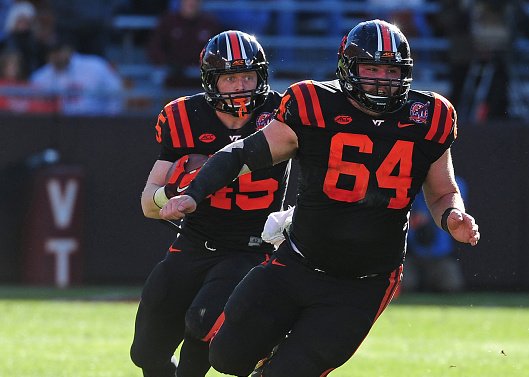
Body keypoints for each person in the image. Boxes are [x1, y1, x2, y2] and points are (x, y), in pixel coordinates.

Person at [160, 19, 480, 376]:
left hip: (365, 283)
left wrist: (453, 215)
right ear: (348, 69)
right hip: (296, 263)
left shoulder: (429, 116)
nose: (380, 79)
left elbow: (442, 192)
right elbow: (242, 154)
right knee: (225, 357)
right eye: (370, 68)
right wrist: (195, 192)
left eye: (390, 69)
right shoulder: (314, 103)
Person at [130, 30, 291, 377]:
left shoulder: (282, 114)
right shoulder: (183, 117)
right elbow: (148, 203)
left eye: (248, 75)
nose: (241, 86)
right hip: (194, 242)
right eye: (230, 78)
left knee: (202, 322)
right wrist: (171, 194)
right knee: (146, 352)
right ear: (210, 81)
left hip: (251, 246)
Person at [402, 176, 468, 293]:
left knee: (450, 284)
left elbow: (455, 212)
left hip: (440, 256)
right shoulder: (410, 185)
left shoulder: (455, 185)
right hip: (411, 256)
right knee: (405, 284)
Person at [29, 38, 124, 115]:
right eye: (52, 52)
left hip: (96, 122)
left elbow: (115, 92)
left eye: (59, 51)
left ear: (69, 50)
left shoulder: (95, 66)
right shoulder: (40, 77)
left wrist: (109, 119)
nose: (56, 56)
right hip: (58, 128)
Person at [147, 0, 222, 87]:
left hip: (201, 82)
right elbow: (155, 46)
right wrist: (167, 63)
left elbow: (218, 50)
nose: (192, 3)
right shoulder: (168, 22)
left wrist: (206, 64)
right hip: (173, 78)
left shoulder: (210, 24)